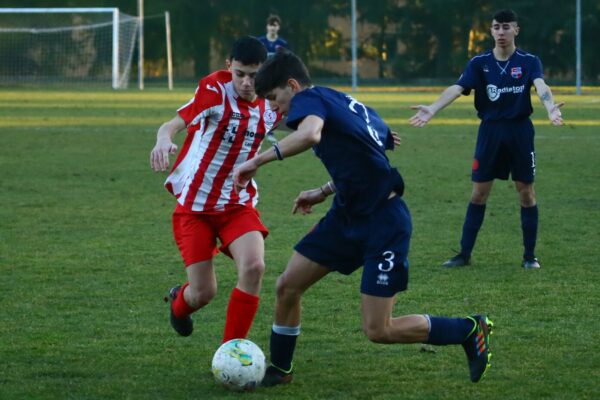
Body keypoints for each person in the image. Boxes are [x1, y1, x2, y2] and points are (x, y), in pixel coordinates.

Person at [233, 50, 494, 385]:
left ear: (293, 86)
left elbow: (311, 134)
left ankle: (469, 328)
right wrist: (324, 191)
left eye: (273, 98)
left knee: (379, 329)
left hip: (383, 223)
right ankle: (281, 369)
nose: (272, 107)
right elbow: (368, 150)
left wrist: (257, 161)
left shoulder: (309, 100)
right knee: (288, 286)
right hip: (345, 216)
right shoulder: (341, 102)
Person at [149, 36, 281, 343]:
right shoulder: (213, 90)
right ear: (228, 67)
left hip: (237, 204)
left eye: (254, 75)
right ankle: (179, 304)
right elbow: (172, 124)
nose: (247, 83)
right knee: (203, 293)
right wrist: (163, 139)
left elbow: (313, 123)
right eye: (240, 74)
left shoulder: (273, 101)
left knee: (254, 267)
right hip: (195, 209)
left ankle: (231, 351)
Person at [409, 9, 564, 270]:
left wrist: (550, 108)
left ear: (516, 30)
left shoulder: (528, 61)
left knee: (525, 191)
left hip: (519, 131)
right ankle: (464, 254)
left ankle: (529, 256)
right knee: (479, 193)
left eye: (506, 27)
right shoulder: (479, 63)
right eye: (496, 27)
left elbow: (541, 86)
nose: (501, 32)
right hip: (490, 132)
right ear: (491, 31)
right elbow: (457, 89)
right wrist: (433, 108)